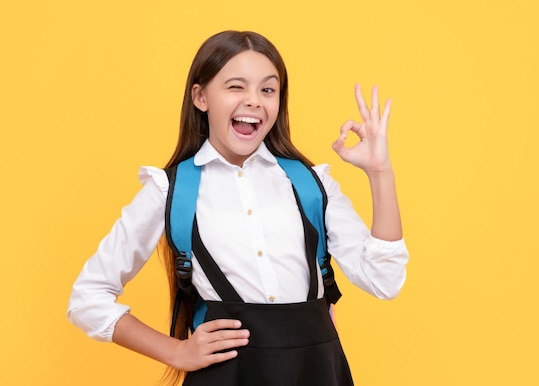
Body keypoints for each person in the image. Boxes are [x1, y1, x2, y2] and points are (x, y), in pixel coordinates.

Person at [67, 30, 409, 386]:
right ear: (200, 97)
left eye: (267, 89)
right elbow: (87, 299)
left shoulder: (312, 183)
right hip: (225, 376)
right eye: (236, 86)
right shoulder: (169, 190)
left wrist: (379, 173)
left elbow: (384, 280)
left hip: (317, 372)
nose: (254, 101)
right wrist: (175, 351)